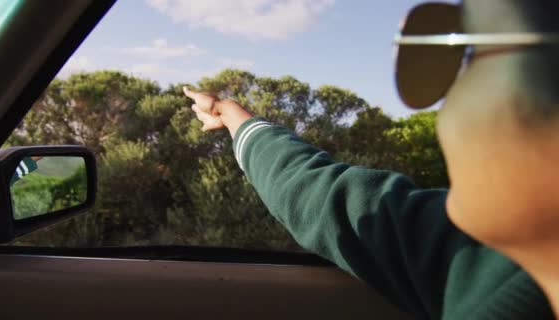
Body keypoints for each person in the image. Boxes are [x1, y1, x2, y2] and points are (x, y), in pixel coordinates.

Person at [185, 0, 559, 319]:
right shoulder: (484, 262)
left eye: (473, 56)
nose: (446, 103)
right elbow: (327, 199)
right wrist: (232, 116)